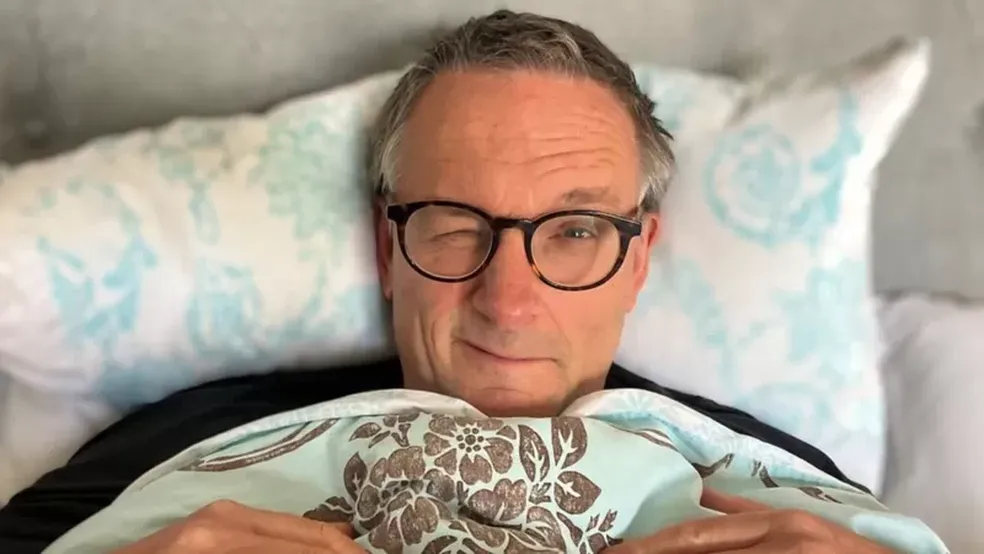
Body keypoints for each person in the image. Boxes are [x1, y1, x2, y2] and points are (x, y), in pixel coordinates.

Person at [0, 10, 905, 554]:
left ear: (637, 259)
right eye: (456, 225)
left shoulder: (773, 480)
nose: (507, 304)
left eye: (575, 232)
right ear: (387, 249)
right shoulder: (195, 441)